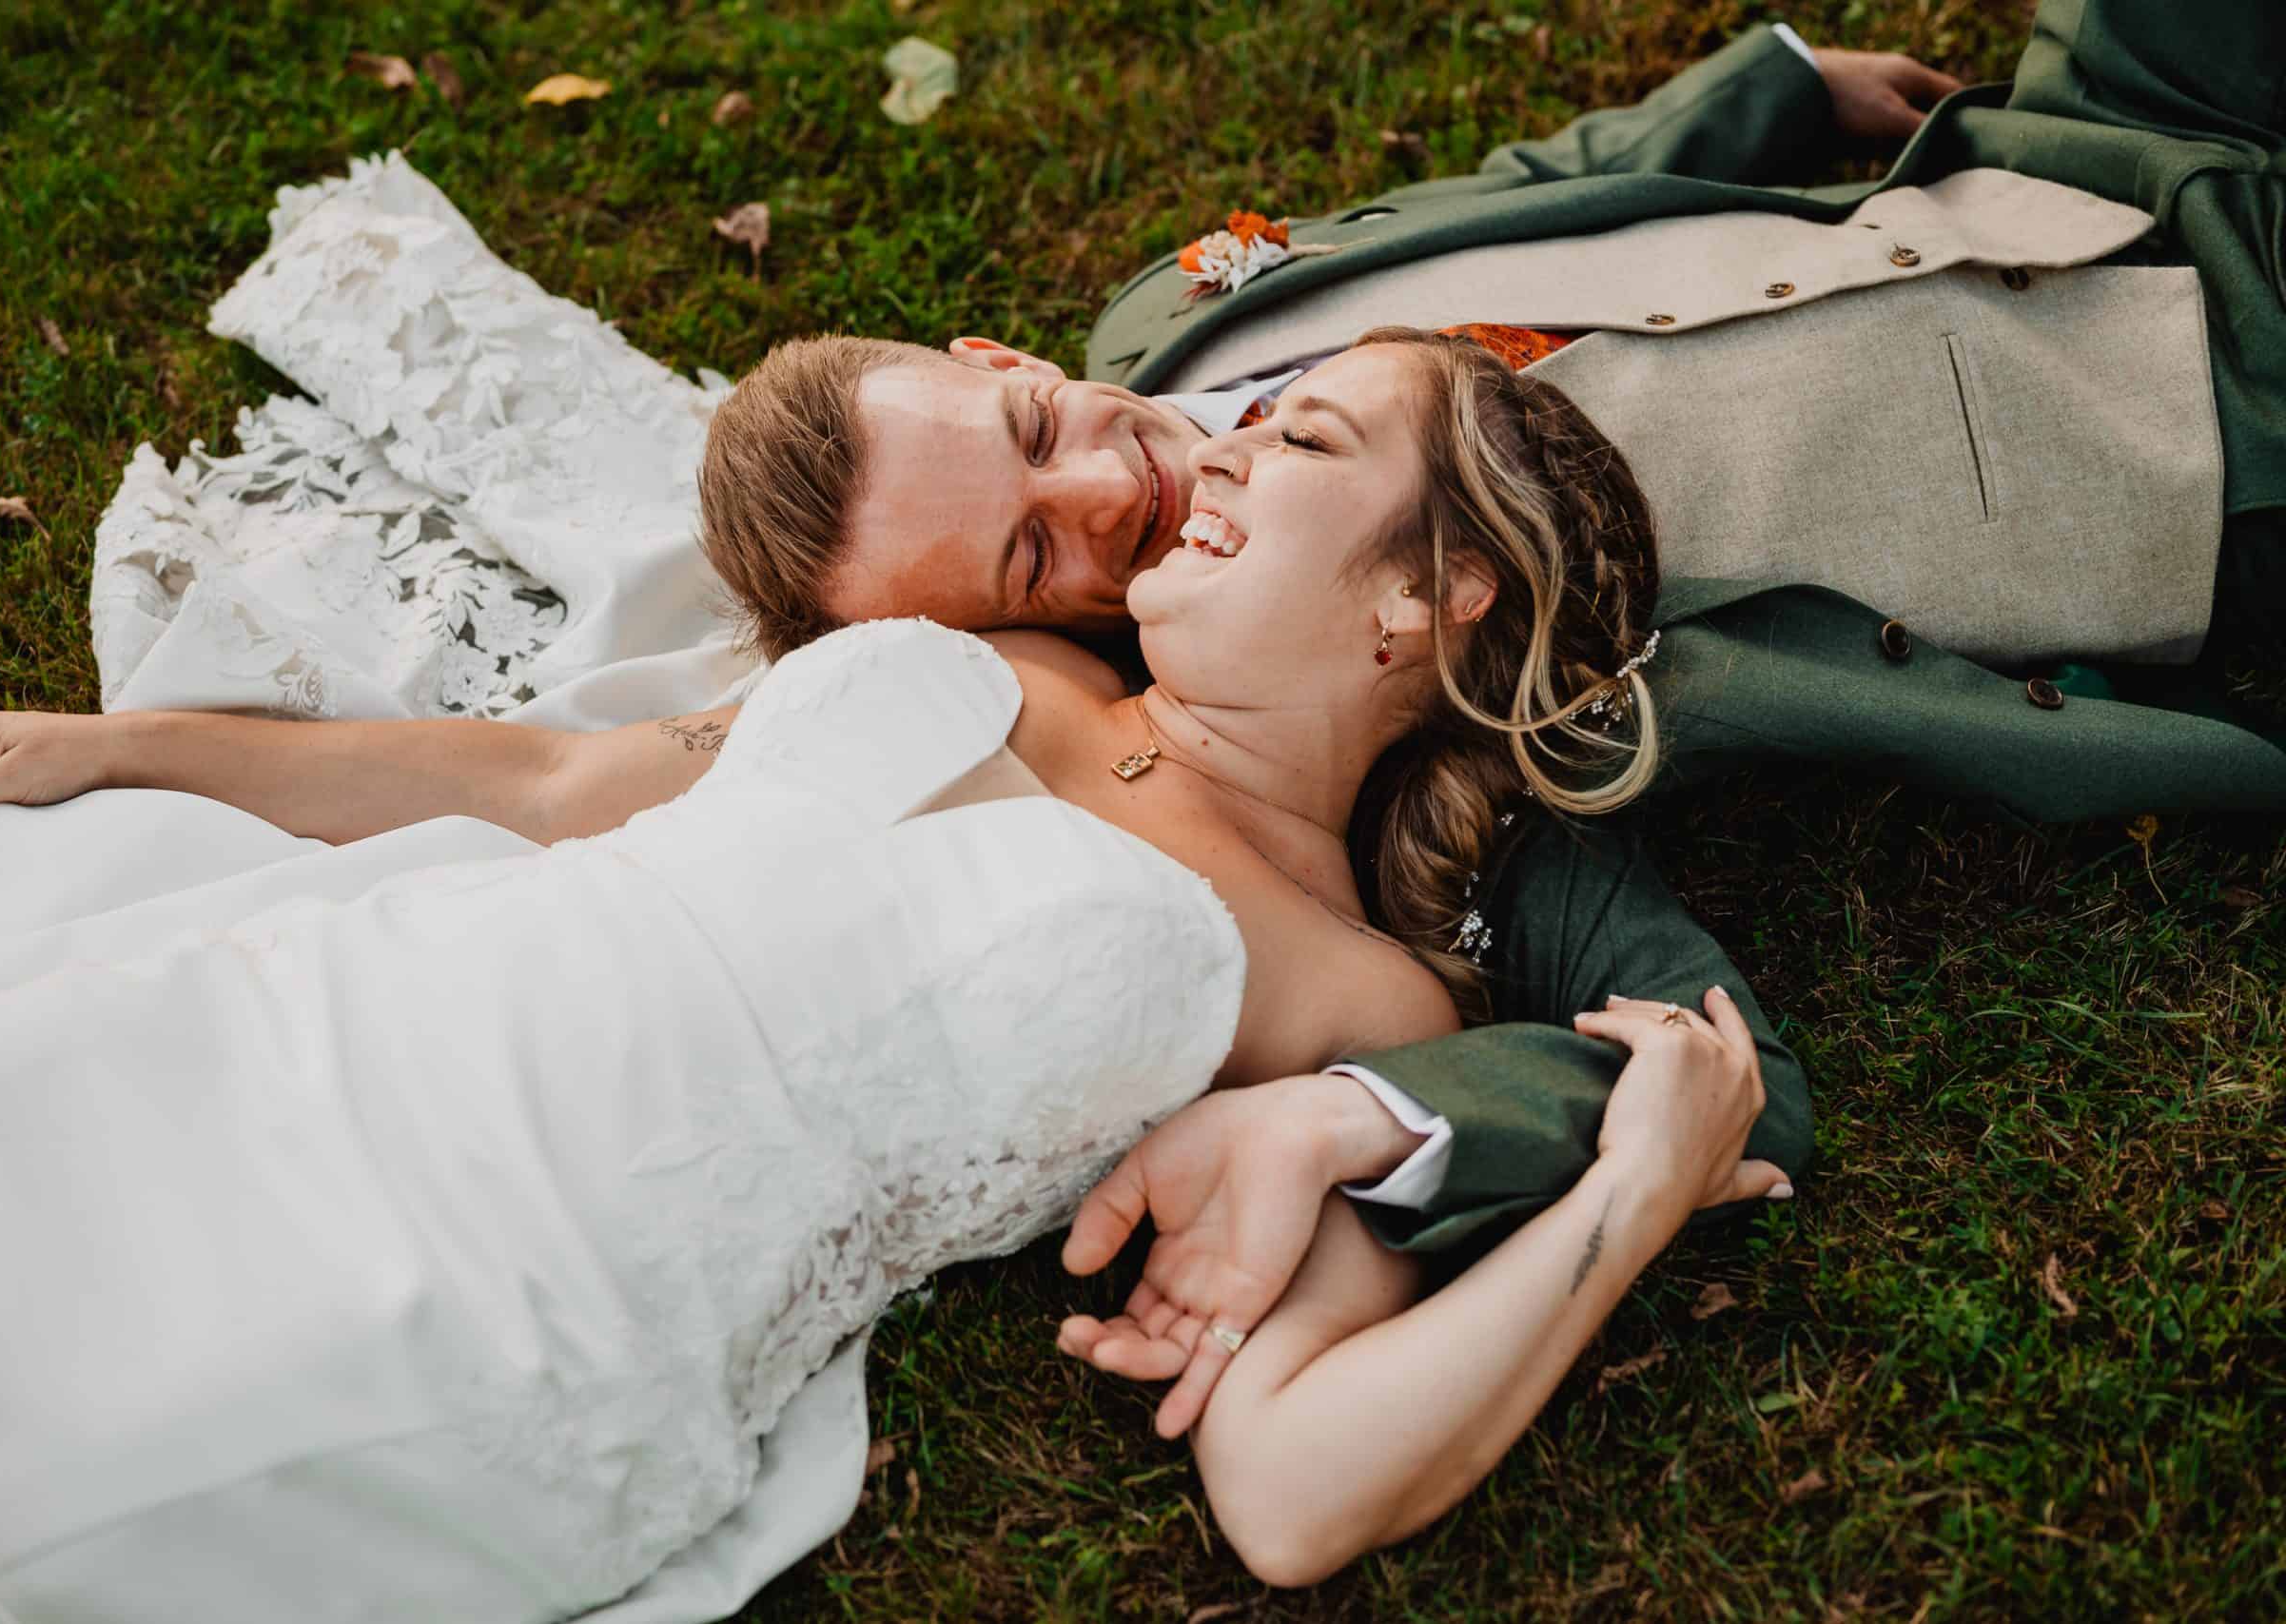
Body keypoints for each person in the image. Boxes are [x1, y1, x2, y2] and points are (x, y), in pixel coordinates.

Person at [0, 333, 1777, 1612]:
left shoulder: (1358, 1015)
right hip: (343, 1016)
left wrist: (1620, 1198)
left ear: (1422, 602)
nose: (1229, 438)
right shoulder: (1026, 663)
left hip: (535, 1278)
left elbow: (1283, 1491)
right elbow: (557, 784)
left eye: (1310, 440)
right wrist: (138, 745)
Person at [692, 0, 2286, 1442]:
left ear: (1004, 359)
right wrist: (1359, 1114)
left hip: (2071, 149)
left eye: (1038, 430)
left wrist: (1776, 90)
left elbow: (1499, 214)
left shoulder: (1161, 319)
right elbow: (1717, 1069)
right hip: (2204, 432)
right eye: (1036, 560)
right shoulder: (1434, 781)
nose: (1113, 487)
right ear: (1020, 652)